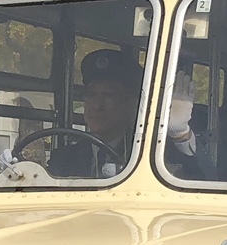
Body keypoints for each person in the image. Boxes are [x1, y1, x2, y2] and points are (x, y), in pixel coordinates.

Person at [50, 48, 196, 178]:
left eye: (109, 95)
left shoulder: (154, 156)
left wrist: (181, 135)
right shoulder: (63, 159)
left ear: (132, 103)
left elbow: (203, 179)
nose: (96, 105)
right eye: (91, 94)